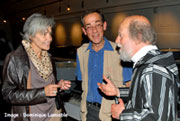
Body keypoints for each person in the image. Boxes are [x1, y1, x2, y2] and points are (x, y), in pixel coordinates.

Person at [98, 15, 180, 121]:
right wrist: (118, 91)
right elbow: (143, 93)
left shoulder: (153, 69)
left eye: (121, 35)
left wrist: (122, 114)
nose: (117, 41)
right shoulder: (146, 64)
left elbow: (156, 118)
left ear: (138, 36)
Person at [1, 13, 71, 121]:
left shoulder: (48, 57)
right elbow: (8, 94)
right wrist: (43, 93)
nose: (50, 38)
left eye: (50, 33)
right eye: (44, 34)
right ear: (31, 35)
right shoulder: (15, 59)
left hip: (53, 113)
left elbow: (48, 86)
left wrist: (58, 86)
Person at [76, 10, 132, 121]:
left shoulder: (121, 52)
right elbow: (83, 83)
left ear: (104, 26)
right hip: (88, 112)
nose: (94, 31)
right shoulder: (81, 52)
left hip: (112, 113)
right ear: (84, 31)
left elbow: (131, 87)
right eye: (89, 27)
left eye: (98, 25)